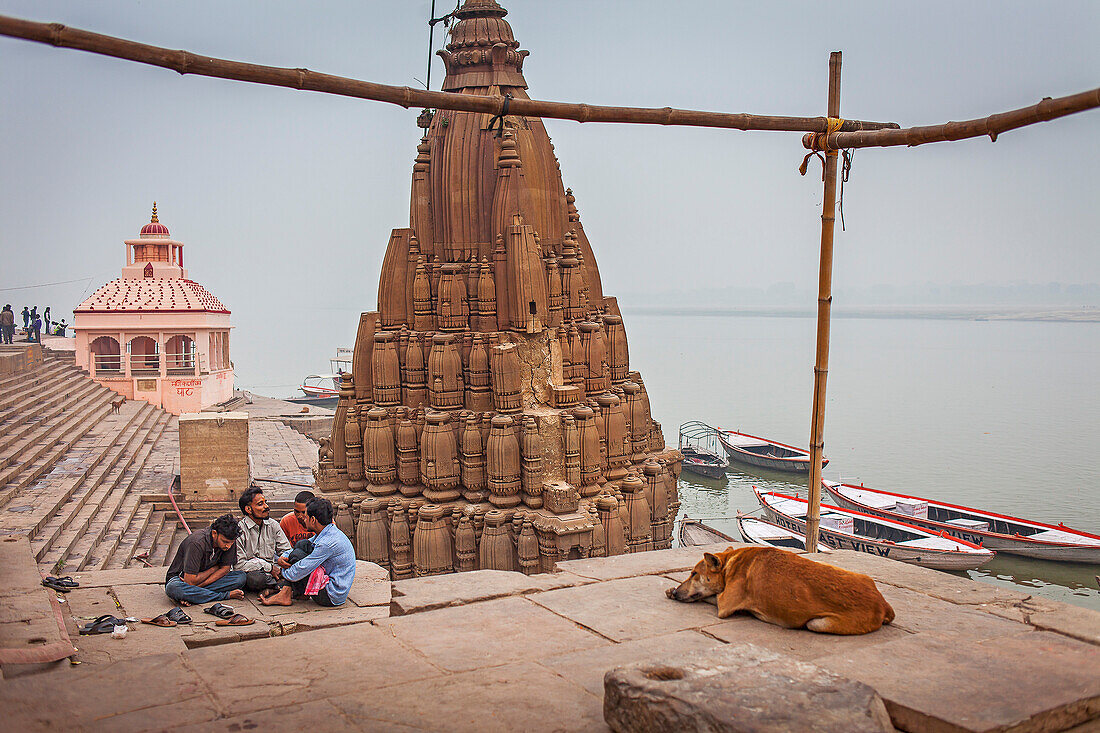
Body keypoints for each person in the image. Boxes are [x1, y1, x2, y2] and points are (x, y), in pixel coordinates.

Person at [261, 497, 356, 608]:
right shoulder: (328, 530)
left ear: (313, 520)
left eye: (306, 517)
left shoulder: (327, 543)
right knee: (303, 545)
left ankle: (285, 594)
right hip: (329, 581)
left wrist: (283, 572)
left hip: (331, 595)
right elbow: (305, 545)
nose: (304, 520)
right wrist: (284, 556)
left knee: (298, 557)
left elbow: (303, 568)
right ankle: (290, 592)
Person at [164, 514, 246, 605]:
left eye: (231, 543)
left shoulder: (229, 541)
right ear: (214, 533)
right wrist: (214, 569)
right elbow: (189, 581)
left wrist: (199, 586)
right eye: (225, 542)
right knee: (174, 588)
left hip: (201, 581)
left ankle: (195, 595)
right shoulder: (196, 543)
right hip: (182, 579)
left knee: (240, 577)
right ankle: (223, 595)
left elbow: (225, 569)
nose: (228, 546)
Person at [235, 486, 292, 592]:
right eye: (260, 504)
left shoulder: (273, 525)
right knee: (254, 579)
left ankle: (275, 587)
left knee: (296, 559)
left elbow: (286, 550)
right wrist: (268, 567)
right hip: (255, 572)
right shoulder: (240, 530)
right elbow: (239, 565)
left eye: (265, 502)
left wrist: (285, 560)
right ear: (248, 509)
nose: (266, 507)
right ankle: (279, 587)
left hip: (275, 569)